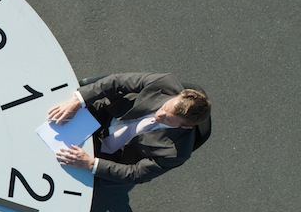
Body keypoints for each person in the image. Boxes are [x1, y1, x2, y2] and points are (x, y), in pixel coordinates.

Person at [47, 73, 211, 185]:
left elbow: (136, 173)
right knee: (53, 122)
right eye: (164, 107)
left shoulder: (176, 153)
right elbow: (117, 81)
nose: (159, 115)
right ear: (179, 95)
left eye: (167, 119)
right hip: (104, 113)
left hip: (109, 156)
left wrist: (91, 164)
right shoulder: (164, 83)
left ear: (185, 126)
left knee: (58, 171)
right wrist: (78, 101)